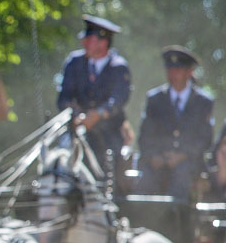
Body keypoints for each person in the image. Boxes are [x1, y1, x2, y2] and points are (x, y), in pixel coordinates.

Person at [56, 14, 131, 175]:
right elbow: (64, 97)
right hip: (76, 130)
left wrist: (98, 114)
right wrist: (75, 116)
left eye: (89, 40)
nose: (84, 43)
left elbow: (118, 99)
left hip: (108, 133)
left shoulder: (118, 67)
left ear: (103, 42)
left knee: (113, 167)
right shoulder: (74, 62)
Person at [137, 46, 213, 200]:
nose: (173, 75)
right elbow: (145, 135)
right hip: (157, 161)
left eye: (178, 70)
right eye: (170, 70)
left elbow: (205, 138)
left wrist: (182, 155)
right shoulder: (155, 99)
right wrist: (154, 156)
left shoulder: (203, 102)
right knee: (144, 183)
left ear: (189, 72)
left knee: (182, 178)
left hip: (188, 163)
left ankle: (175, 221)